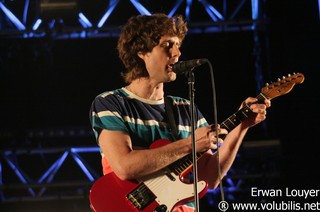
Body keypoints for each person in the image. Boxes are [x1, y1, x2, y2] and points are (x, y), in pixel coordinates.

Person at [89, 13, 271, 212]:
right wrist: (190, 144)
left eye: (178, 45)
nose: (177, 53)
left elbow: (209, 177)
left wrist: (242, 125)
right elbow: (124, 167)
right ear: (141, 51)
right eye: (168, 45)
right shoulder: (110, 103)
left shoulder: (186, 109)